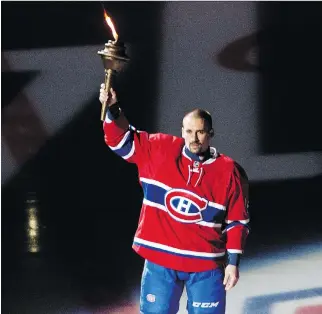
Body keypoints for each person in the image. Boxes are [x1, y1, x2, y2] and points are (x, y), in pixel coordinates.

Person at [99, 84, 250, 314]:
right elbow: (121, 141)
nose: (194, 138)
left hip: (206, 264)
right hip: (161, 263)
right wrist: (113, 109)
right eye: (189, 132)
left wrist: (232, 263)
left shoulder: (230, 172)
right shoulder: (159, 150)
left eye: (200, 132)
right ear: (182, 131)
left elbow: (237, 221)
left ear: (211, 134)